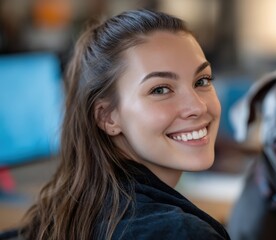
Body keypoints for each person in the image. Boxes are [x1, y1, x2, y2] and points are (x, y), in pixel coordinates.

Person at [15, 9, 229, 240]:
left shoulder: (68, 209)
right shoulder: (180, 232)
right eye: (160, 89)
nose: (198, 107)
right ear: (107, 117)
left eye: (202, 81)